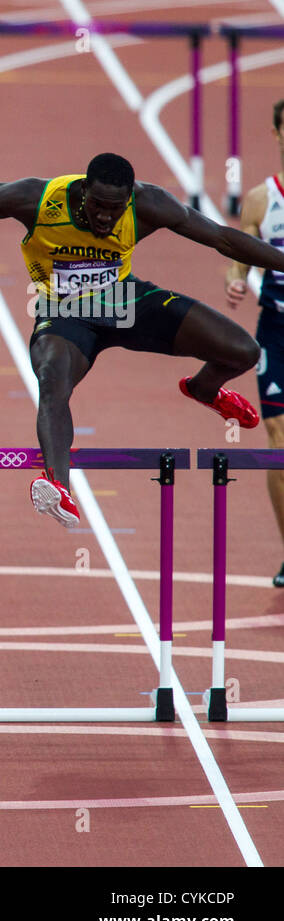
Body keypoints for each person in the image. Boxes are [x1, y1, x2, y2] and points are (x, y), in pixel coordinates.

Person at [0, 152, 278, 528]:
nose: (106, 217)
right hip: (65, 313)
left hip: (124, 300)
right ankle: (58, 486)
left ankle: (203, 388)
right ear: (82, 191)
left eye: (115, 209)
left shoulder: (149, 204)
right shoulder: (37, 199)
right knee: (53, 380)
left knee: (243, 350)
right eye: (98, 206)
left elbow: (223, 239)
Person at [226, 99, 284, 586]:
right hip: (278, 329)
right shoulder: (260, 200)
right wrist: (235, 279)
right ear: (277, 132)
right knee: (280, 442)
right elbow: (239, 253)